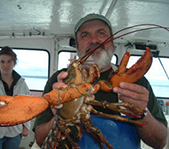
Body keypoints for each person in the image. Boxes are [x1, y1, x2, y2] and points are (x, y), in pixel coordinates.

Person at [33, 14, 168, 149]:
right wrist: (60, 115)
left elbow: (159, 142)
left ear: (113, 43)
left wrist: (141, 112)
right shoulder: (59, 80)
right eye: (85, 35)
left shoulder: (135, 81)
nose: (94, 40)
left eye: (101, 33)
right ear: (77, 45)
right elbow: (40, 139)